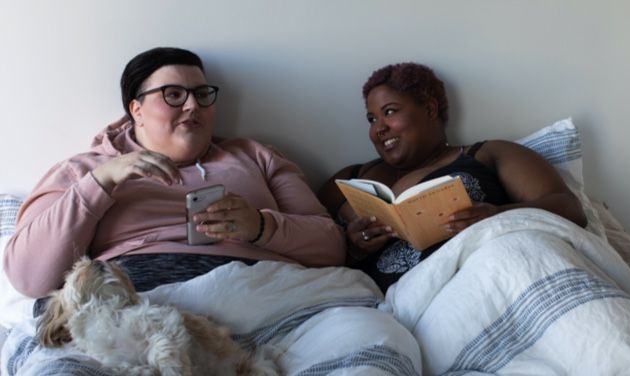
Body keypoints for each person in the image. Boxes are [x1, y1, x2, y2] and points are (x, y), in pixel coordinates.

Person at [4, 47, 345, 299]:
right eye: (173, 94)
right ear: (136, 109)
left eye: (201, 94)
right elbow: (28, 277)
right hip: (136, 302)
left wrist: (260, 226)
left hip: (262, 290)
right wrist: (101, 183)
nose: (193, 105)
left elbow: (331, 246)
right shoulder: (82, 170)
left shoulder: (256, 156)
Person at [317, 62, 587, 292]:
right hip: (391, 309)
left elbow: (571, 210)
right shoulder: (354, 177)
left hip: (485, 282)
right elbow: (300, 246)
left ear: (430, 109)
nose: (379, 129)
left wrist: (498, 216)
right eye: (371, 119)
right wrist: (353, 246)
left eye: (389, 112)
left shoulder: (487, 154)